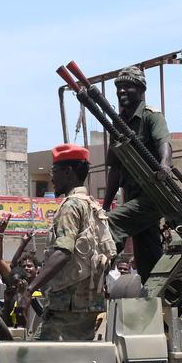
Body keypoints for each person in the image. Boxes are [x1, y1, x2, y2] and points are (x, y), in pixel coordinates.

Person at [24, 144, 117, 341]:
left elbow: (63, 252)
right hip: (88, 301)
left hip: (67, 304)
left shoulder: (71, 206)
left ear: (68, 172)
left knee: (39, 354)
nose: (52, 178)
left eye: (54, 171)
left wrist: (30, 288)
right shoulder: (91, 204)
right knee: (78, 354)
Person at [102, 65, 173, 282]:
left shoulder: (151, 116)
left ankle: (98, 274)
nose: (121, 91)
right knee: (147, 258)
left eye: (127, 87)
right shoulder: (118, 123)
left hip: (153, 195)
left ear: (141, 89)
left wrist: (165, 164)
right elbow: (115, 168)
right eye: (119, 87)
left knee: (108, 225)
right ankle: (154, 293)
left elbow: (164, 142)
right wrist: (105, 205)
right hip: (134, 197)